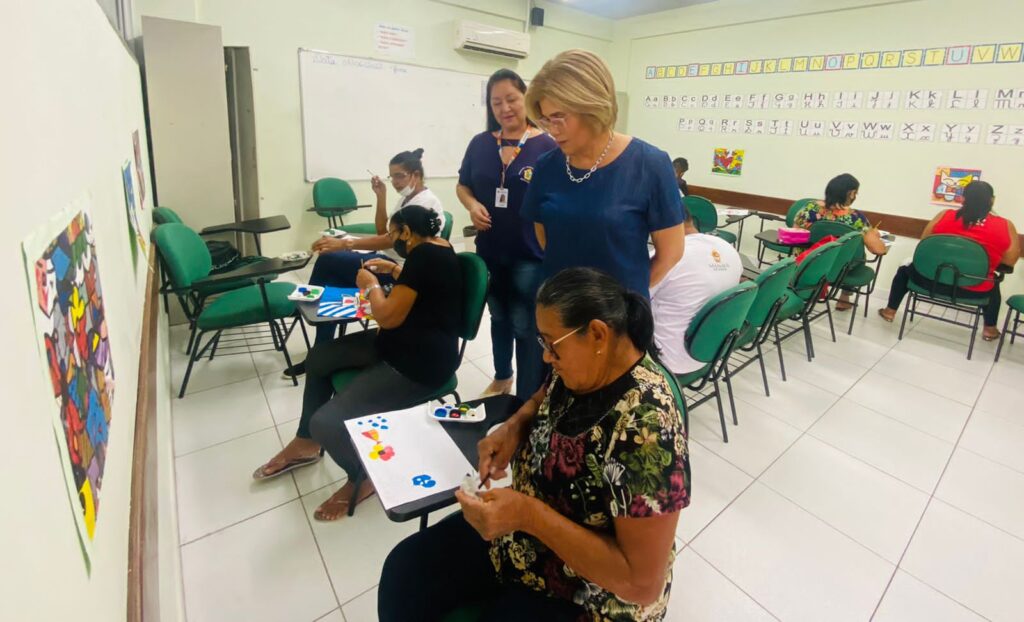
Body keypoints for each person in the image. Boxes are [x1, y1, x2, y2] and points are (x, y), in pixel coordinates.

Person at [379, 268, 690, 622]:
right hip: (525, 539)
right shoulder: (580, 363)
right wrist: (514, 427)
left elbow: (640, 582)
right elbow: (542, 399)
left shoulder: (647, 424)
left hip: (590, 593)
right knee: (405, 571)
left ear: (598, 334)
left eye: (551, 344)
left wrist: (527, 515)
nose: (546, 357)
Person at [252, 205, 463, 521]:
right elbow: (427, 288)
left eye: (393, 235)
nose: (391, 241)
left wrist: (371, 285)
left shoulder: (424, 257)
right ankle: (305, 444)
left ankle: (361, 477)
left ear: (407, 232)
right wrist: (394, 273)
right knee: (319, 358)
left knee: (327, 422)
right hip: (401, 343)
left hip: (419, 365)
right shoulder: (440, 247)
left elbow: (388, 317)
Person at [521, 49, 685, 299]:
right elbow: (545, 236)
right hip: (560, 309)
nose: (552, 130)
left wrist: (620, 301)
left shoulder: (649, 164)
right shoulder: (546, 165)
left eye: (559, 117)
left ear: (592, 107)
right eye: (545, 120)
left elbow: (671, 253)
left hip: (620, 319)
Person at [284, 149, 445, 378]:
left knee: (330, 259)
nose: (395, 182)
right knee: (330, 278)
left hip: (402, 273)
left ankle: (308, 319)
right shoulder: (405, 199)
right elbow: (383, 230)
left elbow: (390, 239)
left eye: (399, 176)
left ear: (415, 175)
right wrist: (381, 197)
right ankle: (320, 350)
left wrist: (345, 244)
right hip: (387, 261)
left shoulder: (427, 203)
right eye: (392, 177)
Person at [457, 69, 558, 399]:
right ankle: (503, 377)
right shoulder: (481, 143)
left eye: (511, 99)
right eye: (496, 102)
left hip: (529, 253)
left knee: (525, 325)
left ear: (526, 98)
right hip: (489, 248)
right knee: (498, 317)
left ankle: (528, 395)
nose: (505, 108)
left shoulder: (547, 145)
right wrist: (471, 204)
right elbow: (463, 185)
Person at [879, 181, 1020, 340]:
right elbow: (1009, 262)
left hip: (928, 281)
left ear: (962, 199)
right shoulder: (1005, 226)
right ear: (992, 200)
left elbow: (924, 243)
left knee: (904, 271)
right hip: (972, 290)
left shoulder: (944, 215)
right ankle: (990, 329)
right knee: (992, 283)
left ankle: (890, 311)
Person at [651, 215, 742, 374]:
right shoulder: (728, 248)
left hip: (667, 360)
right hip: (713, 351)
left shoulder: (663, 259)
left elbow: (630, 298)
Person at [792, 173, 887, 309]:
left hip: (808, 263)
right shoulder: (857, 218)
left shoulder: (809, 208)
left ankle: (805, 289)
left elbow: (795, 235)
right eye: (856, 193)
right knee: (855, 252)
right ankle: (844, 298)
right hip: (839, 269)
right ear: (851, 194)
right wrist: (874, 234)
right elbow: (879, 250)